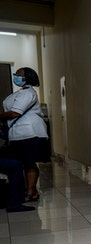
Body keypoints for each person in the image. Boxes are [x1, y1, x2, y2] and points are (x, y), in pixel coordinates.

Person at [0, 67, 50, 202]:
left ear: (27, 77)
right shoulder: (21, 92)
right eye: (15, 74)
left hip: (29, 132)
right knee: (23, 163)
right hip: (19, 133)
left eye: (19, 74)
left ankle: (30, 193)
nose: (15, 76)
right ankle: (31, 192)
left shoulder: (28, 93)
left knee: (29, 163)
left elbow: (16, 112)